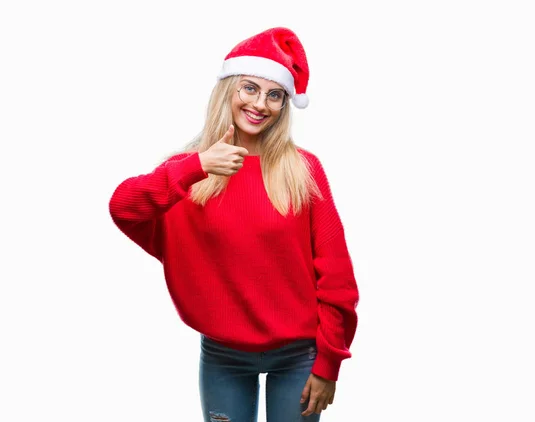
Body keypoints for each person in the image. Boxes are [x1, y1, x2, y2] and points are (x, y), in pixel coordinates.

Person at [109, 27, 359, 421]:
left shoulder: (303, 169)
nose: (260, 104)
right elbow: (123, 206)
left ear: (284, 103)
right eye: (248, 89)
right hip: (223, 354)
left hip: (299, 355)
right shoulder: (190, 170)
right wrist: (198, 166)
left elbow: (337, 278)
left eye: (274, 94)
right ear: (228, 91)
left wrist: (330, 363)